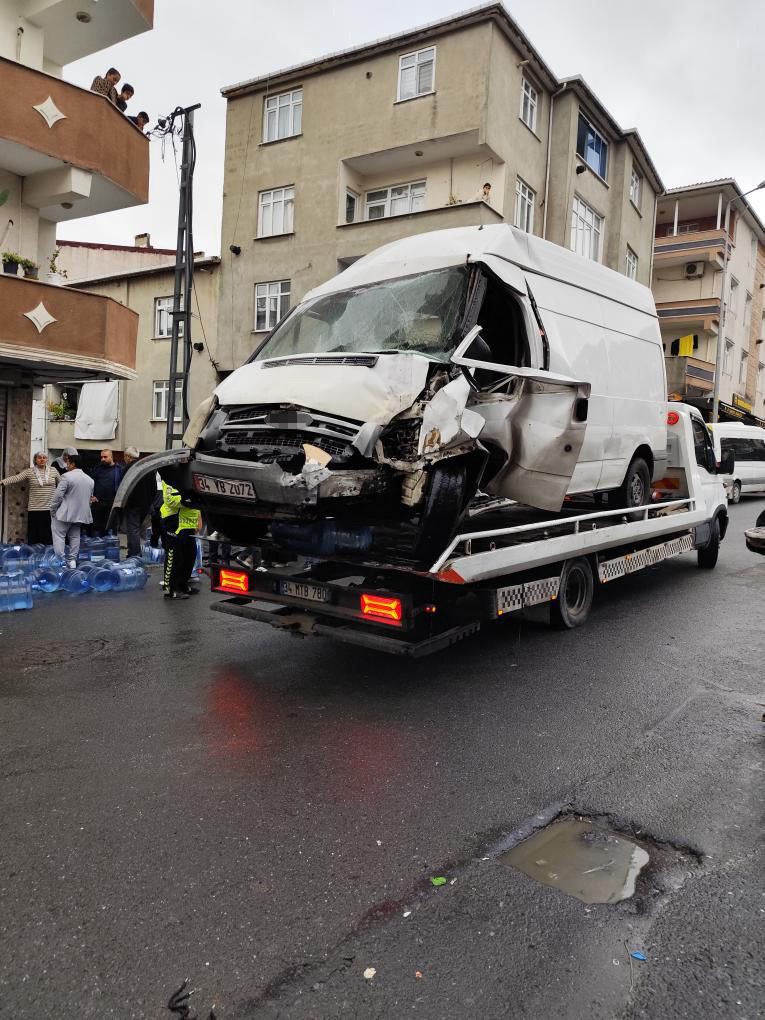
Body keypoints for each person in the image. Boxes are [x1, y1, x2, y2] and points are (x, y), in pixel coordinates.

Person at [0, 452, 60, 544]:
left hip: (50, 508)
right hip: (34, 508)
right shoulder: (29, 472)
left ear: (47, 460)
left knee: (48, 535)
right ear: (35, 460)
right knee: (34, 535)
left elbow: (63, 484)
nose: (42, 459)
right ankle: (33, 556)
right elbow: (17, 478)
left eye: (44, 458)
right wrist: (2, 482)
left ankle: (47, 555)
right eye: (39, 458)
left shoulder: (53, 470)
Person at [49, 453, 94, 568]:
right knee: (75, 536)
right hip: (81, 514)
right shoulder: (90, 480)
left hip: (64, 513)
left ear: (73, 464)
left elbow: (58, 496)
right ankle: (72, 561)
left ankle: (61, 562)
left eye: (68, 462)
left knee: (59, 536)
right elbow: (89, 498)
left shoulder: (66, 476)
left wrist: (53, 509)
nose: (66, 465)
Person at [121, 446, 157, 558]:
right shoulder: (147, 468)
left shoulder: (128, 469)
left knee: (133, 530)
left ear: (128, 456)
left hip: (133, 505)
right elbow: (154, 488)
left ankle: (134, 554)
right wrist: (149, 502)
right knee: (141, 529)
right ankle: (143, 552)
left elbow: (123, 488)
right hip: (145, 505)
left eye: (124, 457)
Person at [164, 496, 201, 600]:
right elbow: (170, 499)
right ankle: (172, 589)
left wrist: (198, 516)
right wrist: (189, 501)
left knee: (190, 556)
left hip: (189, 525)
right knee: (175, 558)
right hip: (175, 524)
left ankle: (182, 585)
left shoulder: (187, 483)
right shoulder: (171, 481)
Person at [88, 449, 123, 536]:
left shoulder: (119, 469)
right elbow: (90, 482)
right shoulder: (98, 468)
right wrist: (91, 496)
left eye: (105, 457)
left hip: (112, 504)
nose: (102, 459)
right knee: (97, 530)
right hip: (98, 503)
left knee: (111, 531)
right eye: (101, 457)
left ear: (111, 457)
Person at [159, 480, 181, 590]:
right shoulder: (169, 478)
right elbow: (170, 500)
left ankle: (178, 583)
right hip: (170, 518)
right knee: (171, 552)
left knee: (178, 553)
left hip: (179, 518)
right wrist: (188, 502)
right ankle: (169, 586)